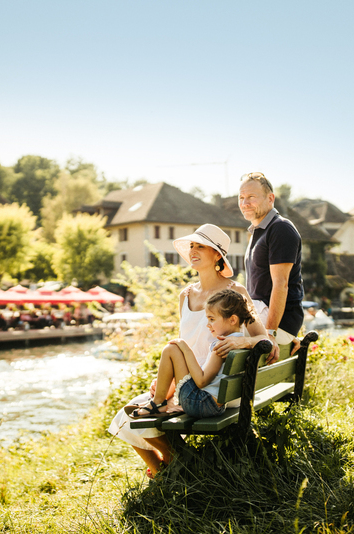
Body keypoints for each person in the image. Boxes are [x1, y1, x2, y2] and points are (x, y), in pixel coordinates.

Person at [108, 224, 273, 477]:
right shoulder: (185, 295)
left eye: (201, 246)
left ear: (218, 255)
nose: (193, 251)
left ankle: (182, 467)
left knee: (141, 415)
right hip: (191, 380)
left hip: (213, 387)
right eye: (192, 246)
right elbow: (184, 342)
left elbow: (262, 337)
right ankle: (167, 470)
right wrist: (168, 381)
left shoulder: (235, 293)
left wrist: (244, 342)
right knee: (125, 416)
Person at [128, 289, 253, 425]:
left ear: (233, 319)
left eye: (212, 319)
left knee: (171, 349)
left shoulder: (221, 346)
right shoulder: (241, 342)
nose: (208, 324)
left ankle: (157, 403)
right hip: (214, 405)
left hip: (201, 404)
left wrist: (186, 349)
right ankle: (158, 403)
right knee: (176, 350)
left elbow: (201, 381)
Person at [238, 172, 304, 354]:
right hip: (260, 317)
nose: (245, 203)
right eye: (241, 197)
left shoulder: (280, 229)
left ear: (270, 198)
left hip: (271, 324)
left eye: (251, 197)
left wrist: (272, 333)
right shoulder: (258, 232)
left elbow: (281, 285)